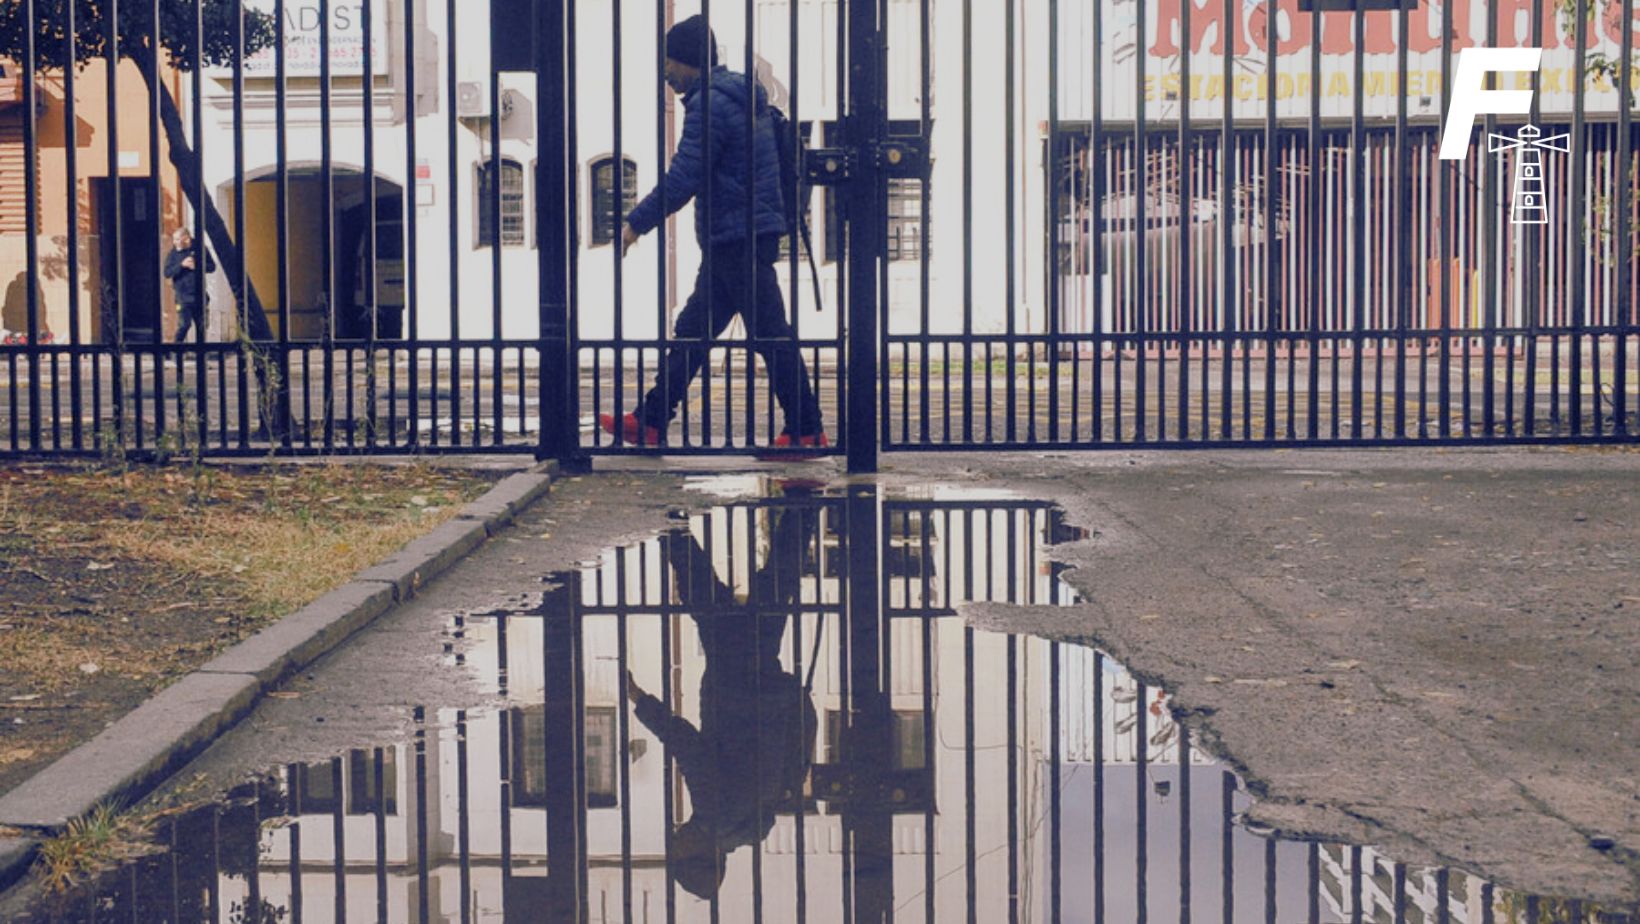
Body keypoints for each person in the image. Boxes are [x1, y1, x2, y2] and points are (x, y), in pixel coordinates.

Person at [603, 14, 829, 457]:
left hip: (737, 238)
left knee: (769, 333)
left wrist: (635, 224)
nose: (665, 73)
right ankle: (649, 420)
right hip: (739, 235)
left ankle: (806, 428)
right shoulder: (734, 97)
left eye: (669, 63)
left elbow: (685, 176)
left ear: (687, 62)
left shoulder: (711, 105)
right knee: (694, 330)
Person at [624, 504, 820, 899]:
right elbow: (687, 745)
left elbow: (798, 755)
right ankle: (668, 519)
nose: (674, 840)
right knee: (702, 594)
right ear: (697, 855)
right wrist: (641, 701)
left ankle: (803, 504)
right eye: (676, 851)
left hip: (768, 686)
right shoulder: (714, 813)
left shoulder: (759, 823)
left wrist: (794, 698)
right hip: (733, 685)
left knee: (774, 589)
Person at [164, 227, 215, 342]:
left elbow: (212, 267)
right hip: (182, 296)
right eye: (174, 239)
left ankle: (201, 354)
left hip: (199, 294)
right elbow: (167, 273)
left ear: (186, 239)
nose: (175, 242)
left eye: (177, 239)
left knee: (202, 326)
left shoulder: (200, 249)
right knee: (184, 325)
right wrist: (181, 265)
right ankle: (176, 350)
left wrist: (198, 266)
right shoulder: (173, 253)